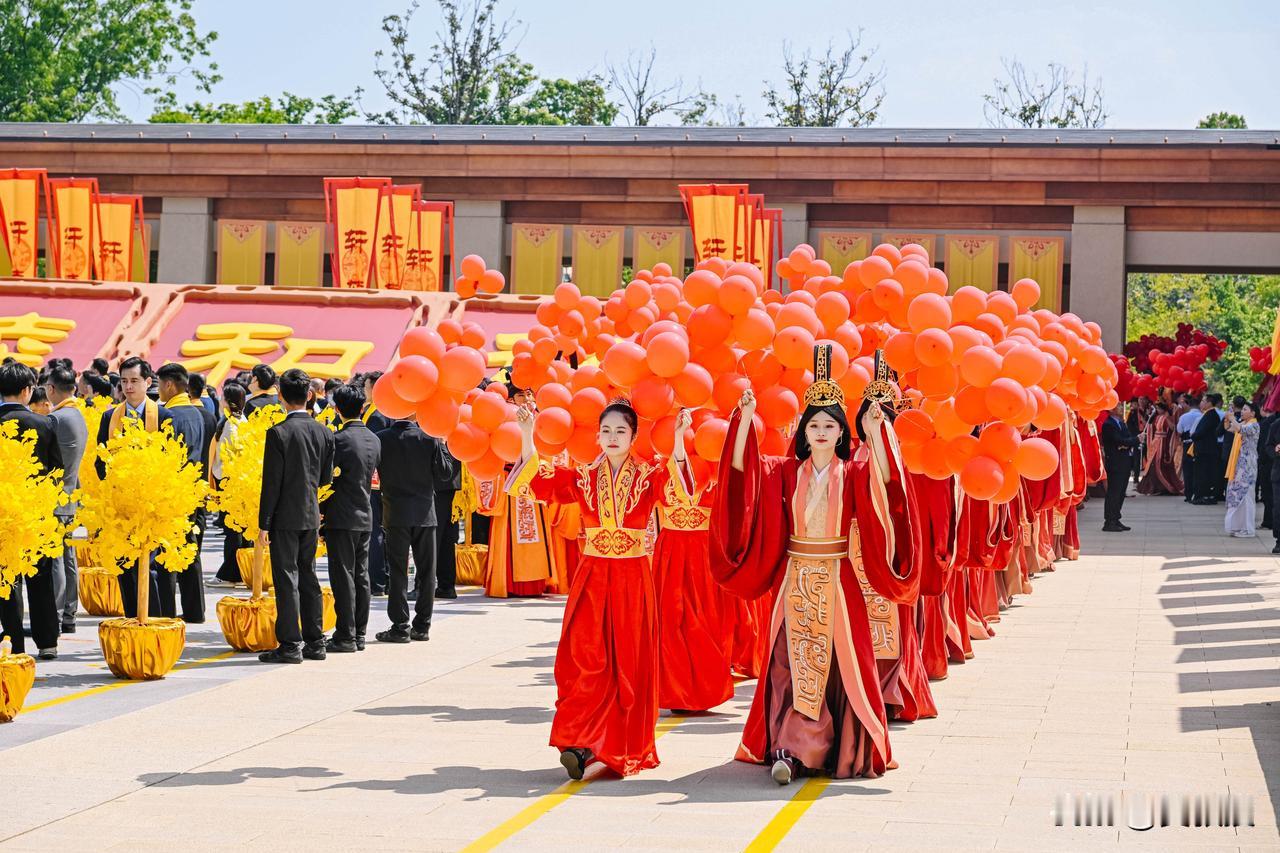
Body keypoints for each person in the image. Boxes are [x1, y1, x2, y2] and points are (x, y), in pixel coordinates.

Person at [709, 346, 917, 785]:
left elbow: (887, 486)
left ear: (841, 432)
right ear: (804, 433)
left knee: (841, 668)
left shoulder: (853, 474)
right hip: (796, 578)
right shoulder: (785, 473)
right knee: (788, 662)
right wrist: (745, 420)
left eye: (830, 425)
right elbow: (740, 473)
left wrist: (876, 433)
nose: (822, 431)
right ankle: (789, 748)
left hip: (838, 581)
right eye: (815, 425)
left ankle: (823, 747)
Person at [510, 397, 687, 780]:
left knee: (628, 662)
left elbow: (683, 490)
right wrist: (527, 434)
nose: (611, 437)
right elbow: (536, 484)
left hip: (632, 579)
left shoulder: (648, 475)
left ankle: (620, 745)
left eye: (620, 430)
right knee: (585, 659)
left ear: (633, 436)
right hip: (592, 578)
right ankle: (580, 740)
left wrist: (681, 440)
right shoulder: (583, 476)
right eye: (605, 430)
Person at [651, 409, 735, 714]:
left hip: (704, 552)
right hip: (672, 549)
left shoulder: (717, 473)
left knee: (708, 622)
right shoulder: (662, 470)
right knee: (672, 622)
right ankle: (676, 690)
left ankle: (704, 690)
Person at [257, 368, 335, 664]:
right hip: (310, 513)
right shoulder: (324, 432)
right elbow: (326, 477)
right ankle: (316, 641)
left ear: (281, 397)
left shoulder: (278, 433)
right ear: (310, 395)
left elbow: (271, 482)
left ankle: (290, 643)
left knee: (286, 578)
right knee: (309, 575)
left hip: (285, 516)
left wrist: (264, 523)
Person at [0, 361, 65, 659]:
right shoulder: (44, 424)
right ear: (27, 391)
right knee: (40, 579)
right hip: (36, 513)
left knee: (6, 581)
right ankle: (47, 641)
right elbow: (57, 471)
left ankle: (13, 643)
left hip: (3, 516)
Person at [374, 410, 455, 643]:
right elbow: (445, 473)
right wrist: (442, 445)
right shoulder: (429, 438)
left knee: (397, 571)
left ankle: (400, 626)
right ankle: (422, 626)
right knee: (427, 571)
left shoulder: (382, 438)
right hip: (424, 513)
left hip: (395, 512)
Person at [320, 385, 380, 652]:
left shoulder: (338, 439)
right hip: (365, 512)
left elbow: (325, 479)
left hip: (341, 515)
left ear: (337, 409)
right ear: (363, 407)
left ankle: (345, 633)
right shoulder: (374, 439)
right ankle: (359, 633)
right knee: (361, 575)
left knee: (342, 575)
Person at [155, 363, 208, 623]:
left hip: (173, 493)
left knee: (167, 557)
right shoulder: (198, 413)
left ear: (168, 385)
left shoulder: (167, 415)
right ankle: (195, 610)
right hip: (195, 491)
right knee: (191, 552)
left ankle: (166, 612)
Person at [45, 365, 87, 634]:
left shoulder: (57, 418)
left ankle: (56, 613)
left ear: (50, 389)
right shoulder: (78, 415)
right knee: (69, 557)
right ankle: (69, 613)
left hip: (56, 498)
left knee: (57, 559)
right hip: (71, 494)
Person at [209, 383, 248, 588]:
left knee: (232, 531)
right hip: (239, 483)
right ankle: (241, 571)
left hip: (230, 483)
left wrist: (217, 478)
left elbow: (225, 459)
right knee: (238, 530)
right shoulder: (242, 422)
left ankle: (229, 573)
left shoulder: (230, 425)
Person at [1223, 404, 1261, 538]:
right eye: (1243, 409)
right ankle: (1237, 526)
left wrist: (1233, 418)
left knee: (1246, 497)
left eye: (1245, 409)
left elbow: (1239, 429)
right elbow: (1229, 428)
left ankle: (1248, 529)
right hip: (1238, 465)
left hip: (1247, 466)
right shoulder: (1243, 423)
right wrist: (1228, 417)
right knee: (1235, 495)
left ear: (1253, 413)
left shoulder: (1254, 425)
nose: (1243, 412)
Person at [1100, 403, 1139, 531]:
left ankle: (1116, 518)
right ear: (1111, 409)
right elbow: (1118, 441)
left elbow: (1126, 438)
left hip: (1125, 461)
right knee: (1114, 492)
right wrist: (1134, 440)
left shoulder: (1121, 423)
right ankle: (1109, 521)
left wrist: (1129, 442)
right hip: (1115, 462)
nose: (1122, 408)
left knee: (1121, 492)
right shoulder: (1108, 425)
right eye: (1119, 406)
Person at [432, 446, 462, 600]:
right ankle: (446, 585)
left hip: (439, 477)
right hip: (451, 479)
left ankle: (423, 585)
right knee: (446, 537)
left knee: (434, 536)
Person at [1137, 399, 1183, 496]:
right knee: (1151, 464)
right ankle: (1152, 487)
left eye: (1159, 408)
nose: (1157, 410)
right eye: (1156, 408)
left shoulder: (1167, 417)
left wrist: (1167, 418)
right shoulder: (1156, 417)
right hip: (1155, 443)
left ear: (1164, 409)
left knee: (1159, 464)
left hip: (1164, 443)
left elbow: (1172, 428)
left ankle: (1162, 487)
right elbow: (1149, 427)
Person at [1191, 397, 1223, 505]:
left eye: (1203, 401)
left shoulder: (1211, 415)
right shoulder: (1208, 414)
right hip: (1204, 449)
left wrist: (1193, 436)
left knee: (1203, 473)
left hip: (1206, 450)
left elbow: (1202, 431)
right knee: (1202, 472)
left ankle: (1203, 495)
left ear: (1209, 403)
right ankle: (1201, 495)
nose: (1201, 403)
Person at [1177, 395, 1203, 503]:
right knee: (1198, 470)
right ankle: (1197, 493)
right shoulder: (1203, 416)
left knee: (1187, 470)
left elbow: (1179, 431)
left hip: (1187, 445)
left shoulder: (1184, 417)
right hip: (1199, 445)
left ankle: (1188, 494)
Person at [1257, 407, 1278, 529]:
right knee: (1270, 496)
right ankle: (1269, 521)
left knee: (1268, 495)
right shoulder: (1272, 423)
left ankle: (1268, 521)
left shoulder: (1268, 422)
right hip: (1270, 463)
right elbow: (1267, 445)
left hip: (1268, 464)